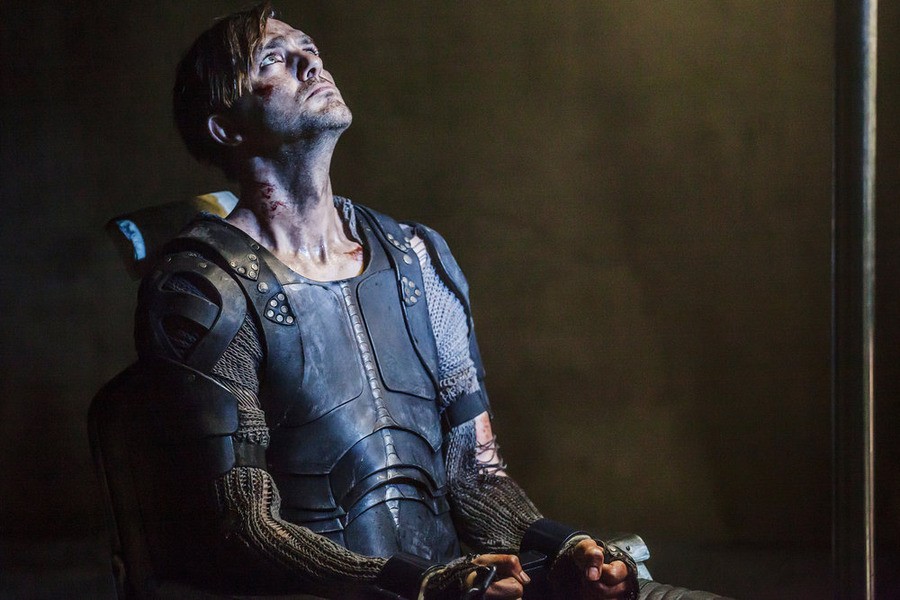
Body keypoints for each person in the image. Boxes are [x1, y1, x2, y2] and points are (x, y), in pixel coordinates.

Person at [129, 4, 725, 599]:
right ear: (224, 128)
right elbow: (244, 526)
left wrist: (568, 550)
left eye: (309, 49)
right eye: (272, 61)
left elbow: (475, 476)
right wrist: (420, 587)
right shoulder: (201, 291)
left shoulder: (417, 258)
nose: (310, 64)